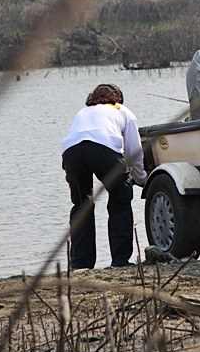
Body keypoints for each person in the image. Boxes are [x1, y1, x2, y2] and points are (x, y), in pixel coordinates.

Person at [61, 83, 147, 270]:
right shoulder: (122, 110)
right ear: (118, 99)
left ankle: (80, 265)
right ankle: (120, 262)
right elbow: (134, 151)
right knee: (120, 200)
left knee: (81, 205)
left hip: (71, 152)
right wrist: (141, 179)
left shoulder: (83, 112)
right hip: (103, 148)